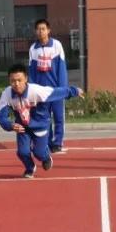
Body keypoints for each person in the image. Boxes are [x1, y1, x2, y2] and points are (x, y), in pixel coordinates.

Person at [0, 64, 83, 178]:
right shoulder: (6, 94)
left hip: (40, 125)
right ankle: (30, 168)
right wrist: (10, 125)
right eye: (13, 81)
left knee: (39, 153)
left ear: (26, 79)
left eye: (19, 80)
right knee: (22, 152)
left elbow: (57, 92)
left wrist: (75, 91)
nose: (16, 84)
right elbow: (1, 116)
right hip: (23, 127)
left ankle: (46, 157)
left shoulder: (36, 91)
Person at [28, 18, 70, 154]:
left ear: (48, 30)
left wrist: (63, 89)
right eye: (38, 29)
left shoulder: (56, 45)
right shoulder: (33, 49)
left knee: (58, 117)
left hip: (55, 89)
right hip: (41, 92)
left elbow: (61, 68)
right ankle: (46, 142)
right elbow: (31, 71)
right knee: (44, 118)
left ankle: (57, 143)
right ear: (36, 31)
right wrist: (32, 90)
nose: (41, 32)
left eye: (43, 29)